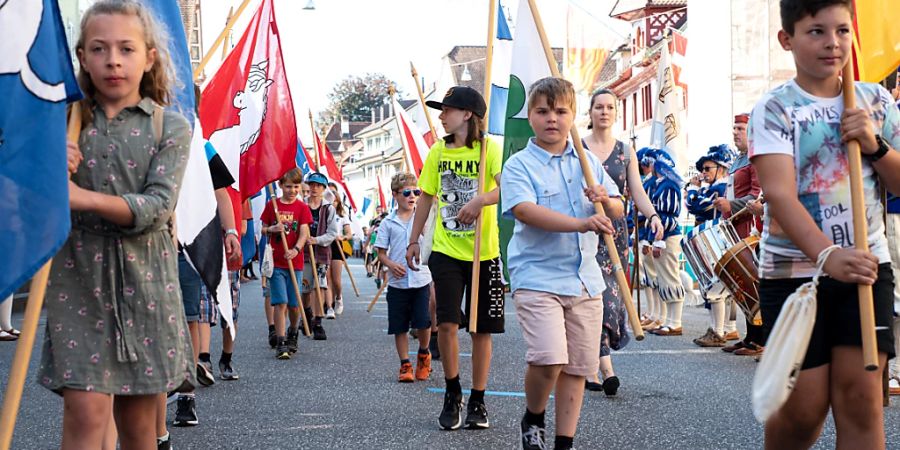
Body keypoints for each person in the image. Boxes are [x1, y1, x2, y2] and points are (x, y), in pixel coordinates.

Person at [750, 0, 900, 447]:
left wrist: (874, 146)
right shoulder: (774, 108)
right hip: (794, 274)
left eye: (841, 30)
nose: (832, 43)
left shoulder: (875, 100)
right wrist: (828, 255)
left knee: (862, 400)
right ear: (787, 39)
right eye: (816, 31)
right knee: (802, 408)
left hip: (867, 269)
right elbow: (779, 193)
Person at [45, 2, 195, 448]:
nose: (113, 59)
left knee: (137, 425)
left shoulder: (170, 126)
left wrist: (78, 197)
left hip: (146, 284)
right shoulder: (64, 125)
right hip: (79, 280)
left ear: (149, 56)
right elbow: (19, 197)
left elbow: (156, 206)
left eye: (126, 48)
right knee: (86, 411)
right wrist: (47, 168)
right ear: (82, 58)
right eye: (99, 48)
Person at [501, 77, 624, 450]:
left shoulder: (587, 162)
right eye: (542, 111)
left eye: (561, 111)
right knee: (550, 357)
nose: (551, 119)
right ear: (531, 116)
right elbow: (525, 211)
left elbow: (617, 208)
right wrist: (582, 222)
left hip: (585, 279)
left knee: (580, 367)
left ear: (573, 116)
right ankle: (534, 415)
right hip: (537, 274)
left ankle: (564, 441)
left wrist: (605, 198)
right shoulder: (519, 164)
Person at [407, 85, 504, 430]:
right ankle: (453, 391)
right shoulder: (437, 152)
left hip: (484, 252)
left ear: (467, 115)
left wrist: (479, 201)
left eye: (447, 110)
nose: (441, 115)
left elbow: (504, 186)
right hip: (447, 250)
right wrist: (414, 239)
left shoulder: (490, 149)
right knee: (447, 322)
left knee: (480, 329)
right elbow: (426, 199)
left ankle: (478, 399)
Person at [581, 89, 663, 395]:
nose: (604, 112)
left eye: (609, 107)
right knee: (594, 300)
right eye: (598, 107)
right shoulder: (578, 146)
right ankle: (602, 369)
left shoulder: (626, 151)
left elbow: (636, 190)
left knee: (613, 303)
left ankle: (595, 361)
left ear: (616, 113)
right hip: (585, 230)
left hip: (616, 233)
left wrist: (652, 215)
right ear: (590, 112)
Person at [375, 173, 434, 382]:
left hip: (421, 278)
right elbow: (381, 252)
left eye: (416, 192)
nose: (412, 196)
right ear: (395, 195)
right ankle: (405, 364)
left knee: (423, 322)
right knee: (399, 325)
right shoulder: (388, 223)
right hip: (398, 282)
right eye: (407, 193)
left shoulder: (424, 217)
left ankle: (424, 354)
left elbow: (431, 241)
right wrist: (390, 264)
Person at [716, 113, 767, 357]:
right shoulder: (739, 159)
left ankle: (760, 338)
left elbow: (757, 195)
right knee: (741, 281)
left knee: (752, 280)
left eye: (740, 128)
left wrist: (730, 207)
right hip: (735, 226)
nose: (735, 132)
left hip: (750, 226)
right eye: (733, 128)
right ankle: (750, 337)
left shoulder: (756, 158)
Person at [260, 168, 312, 359]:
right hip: (276, 263)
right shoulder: (271, 205)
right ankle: (281, 341)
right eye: (288, 186)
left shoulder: (302, 208)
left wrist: (296, 249)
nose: (292, 190)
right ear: (281, 186)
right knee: (280, 302)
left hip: (294, 263)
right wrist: (273, 228)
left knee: (293, 304)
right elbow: (263, 229)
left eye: (296, 186)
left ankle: (293, 331)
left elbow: (304, 232)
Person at [686, 144, 735, 347]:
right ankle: (728, 329)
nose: (703, 173)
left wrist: (693, 189)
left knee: (714, 286)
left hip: (716, 238)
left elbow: (694, 205)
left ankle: (718, 331)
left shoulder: (720, 187)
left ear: (721, 168)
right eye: (702, 169)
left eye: (708, 169)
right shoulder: (716, 186)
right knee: (723, 286)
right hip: (716, 237)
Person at [637, 149, 687, 339]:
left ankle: (675, 322)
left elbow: (668, 216)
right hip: (659, 236)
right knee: (663, 279)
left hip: (666, 236)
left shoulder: (668, 185)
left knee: (669, 277)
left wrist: (657, 240)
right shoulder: (661, 184)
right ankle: (668, 320)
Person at [301, 172, 338, 340]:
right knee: (305, 289)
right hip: (303, 254)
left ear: (323, 188)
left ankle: (318, 321)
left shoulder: (328, 208)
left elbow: (332, 233)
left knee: (320, 286)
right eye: (312, 185)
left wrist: (316, 240)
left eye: (318, 185)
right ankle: (307, 313)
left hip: (321, 253)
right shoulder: (302, 206)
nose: (314, 188)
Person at [326, 183, 352, 317]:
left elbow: (349, 233)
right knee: (327, 279)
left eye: (334, 200)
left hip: (337, 246)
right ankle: (329, 308)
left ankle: (339, 298)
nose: (332, 202)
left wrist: (342, 237)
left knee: (336, 280)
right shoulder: (323, 213)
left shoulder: (342, 216)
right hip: (325, 245)